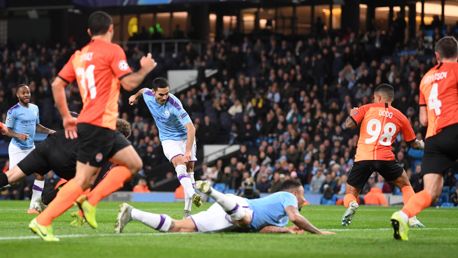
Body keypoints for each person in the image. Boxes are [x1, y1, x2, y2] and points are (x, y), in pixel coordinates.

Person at [28, 11, 156, 241]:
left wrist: (66, 116)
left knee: (134, 163)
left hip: (97, 124)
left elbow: (57, 85)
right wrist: (145, 68)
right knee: (82, 181)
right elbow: (129, 83)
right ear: (111, 29)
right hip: (99, 125)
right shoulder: (113, 50)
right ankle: (42, 220)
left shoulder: (80, 54)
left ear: (89, 32)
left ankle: (90, 200)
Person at [0, 118, 132, 226]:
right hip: (65, 160)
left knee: (11, 176)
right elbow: (98, 181)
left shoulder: (94, 122)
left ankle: (44, 201)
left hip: (49, 144)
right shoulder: (110, 144)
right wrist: (83, 212)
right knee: (85, 181)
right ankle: (44, 202)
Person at [391, 36, 458, 241]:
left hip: (434, 138)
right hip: (455, 129)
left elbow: (423, 119)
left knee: (431, 192)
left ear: (436, 55)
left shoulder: (426, 78)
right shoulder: (456, 70)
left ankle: (403, 215)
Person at [115, 180, 335, 236]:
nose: (303, 202)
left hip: (228, 214)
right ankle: (211, 192)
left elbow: (263, 229)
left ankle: (132, 213)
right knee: (246, 219)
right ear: (295, 194)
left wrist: (285, 230)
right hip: (239, 207)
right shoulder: (288, 196)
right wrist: (317, 231)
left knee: (178, 228)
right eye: (303, 198)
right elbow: (296, 217)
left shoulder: (281, 217)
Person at [341, 84, 425, 228]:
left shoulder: (366, 108)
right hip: (385, 157)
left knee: (350, 192)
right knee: (405, 185)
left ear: (378, 97)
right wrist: (422, 144)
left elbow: (349, 124)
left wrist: (353, 113)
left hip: (363, 157)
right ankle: (412, 219)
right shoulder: (401, 116)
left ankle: (352, 204)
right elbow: (414, 144)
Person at [129, 77, 201, 219]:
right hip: (168, 139)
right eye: (161, 94)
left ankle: (187, 211)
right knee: (179, 164)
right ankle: (193, 194)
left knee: (190, 170)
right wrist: (134, 97)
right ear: (153, 92)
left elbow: (191, 128)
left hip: (186, 137)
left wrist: (187, 151)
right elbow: (142, 91)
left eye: (167, 93)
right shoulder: (147, 95)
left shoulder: (174, 104)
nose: (164, 97)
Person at [5, 84, 56, 213]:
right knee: (13, 181)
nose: (26, 95)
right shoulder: (13, 111)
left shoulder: (35, 108)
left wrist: (50, 131)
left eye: (28, 93)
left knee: (40, 175)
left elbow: (36, 126)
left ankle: (33, 207)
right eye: (23, 93)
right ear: (17, 95)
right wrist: (18, 135)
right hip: (17, 148)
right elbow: (7, 131)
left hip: (30, 147)